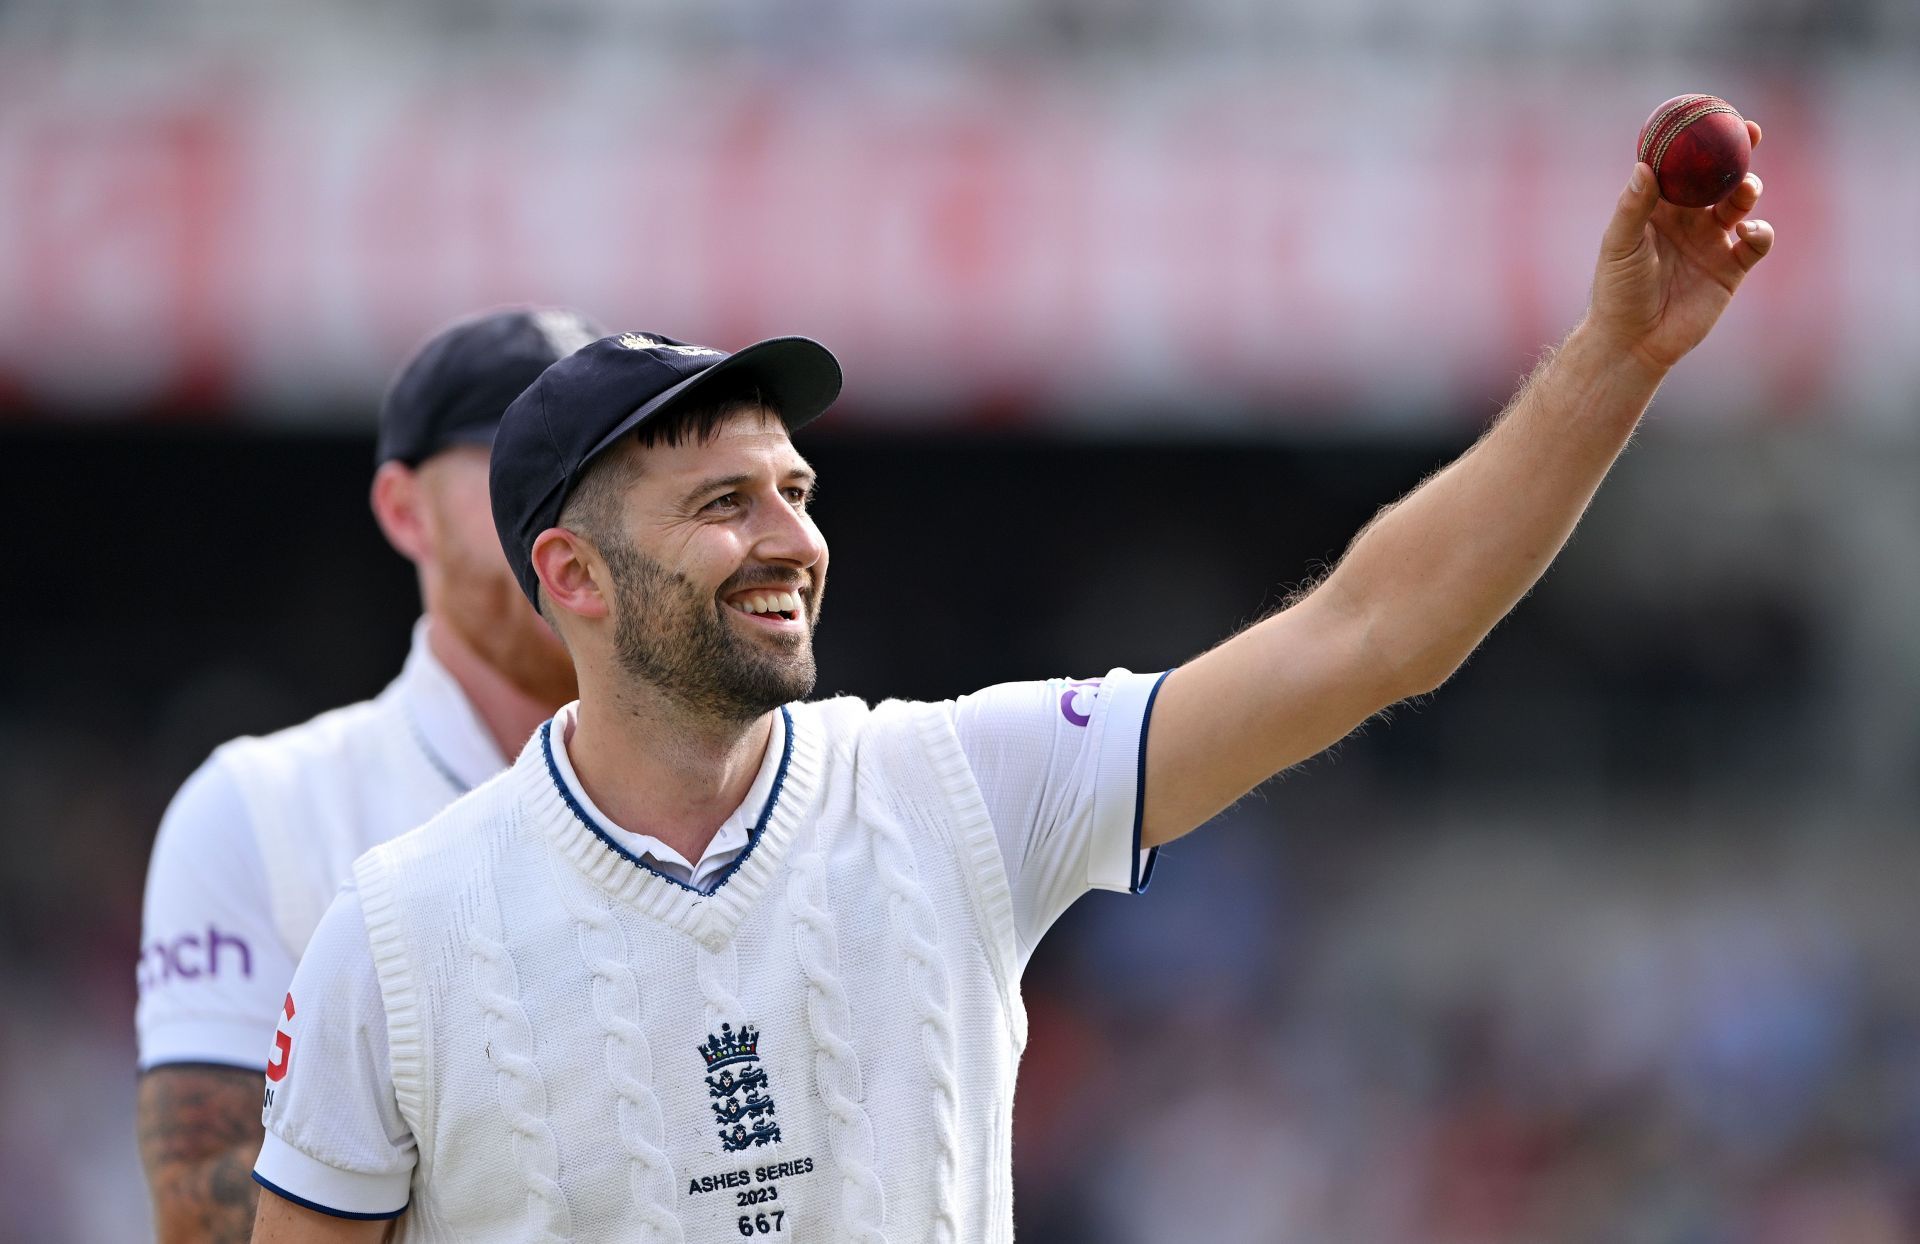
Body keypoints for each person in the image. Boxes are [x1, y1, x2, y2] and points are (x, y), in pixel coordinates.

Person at [249, 149, 1774, 1242]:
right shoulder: (399, 929)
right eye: (724, 503)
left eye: (796, 487)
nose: (791, 538)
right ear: (572, 577)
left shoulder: (953, 789)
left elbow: (1374, 633)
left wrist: (1616, 357)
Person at [135, 307, 604, 1243]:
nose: (566, 507)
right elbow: (199, 1204)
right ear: (404, 509)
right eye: (516, 462)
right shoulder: (264, 806)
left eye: (604, 470)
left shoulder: (738, 791)